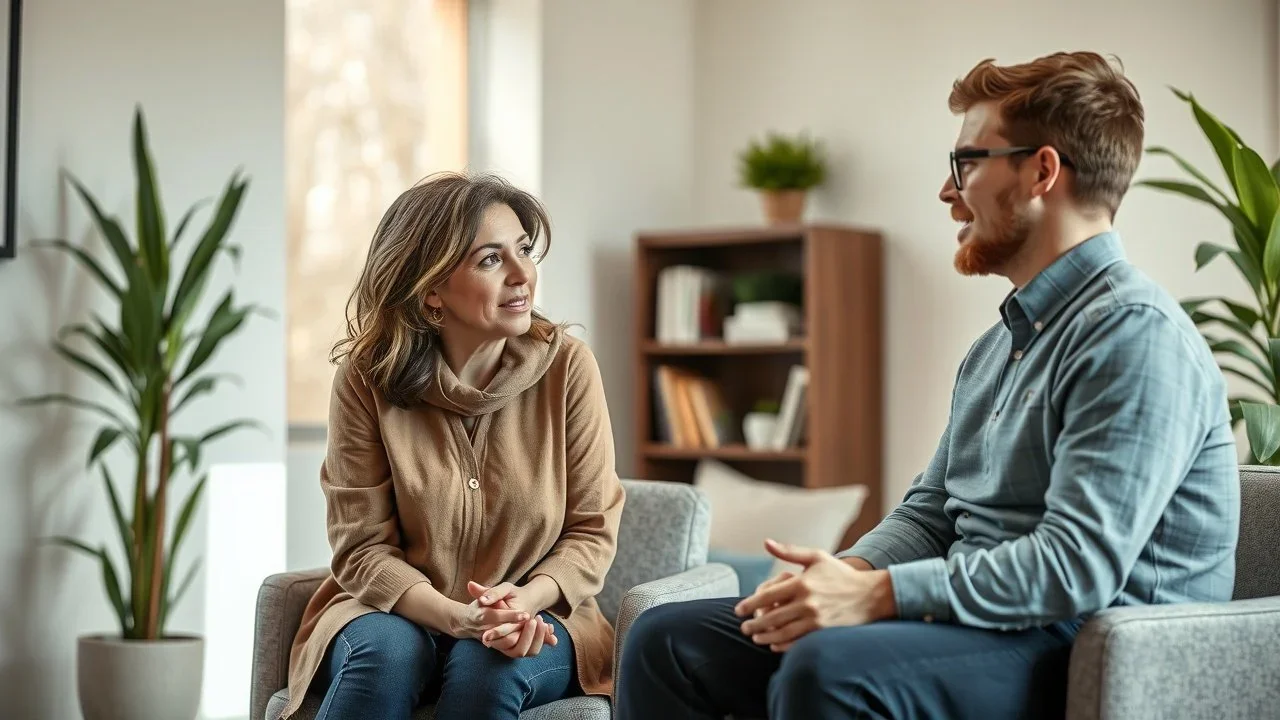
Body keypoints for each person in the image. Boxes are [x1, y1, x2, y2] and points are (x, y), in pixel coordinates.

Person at [617, 51, 1239, 720]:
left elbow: (1076, 567)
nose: (948, 192)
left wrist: (879, 596)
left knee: (827, 670)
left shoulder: (1134, 336)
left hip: (1089, 644)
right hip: (982, 624)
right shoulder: (999, 345)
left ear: (1042, 170)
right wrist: (844, 576)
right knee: (668, 641)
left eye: (966, 163)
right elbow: (932, 510)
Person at [278, 172, 626, 720]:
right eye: (490, 259)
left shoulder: (569, 369)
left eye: (524, 250)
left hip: (541, 617)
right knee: (384, 656)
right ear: (431, 290)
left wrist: (525, 602)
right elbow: (361, 546)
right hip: (393, 614)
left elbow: (592, 528)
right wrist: (451, 615)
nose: (521, 275)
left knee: (487, 666)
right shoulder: (365, 380)